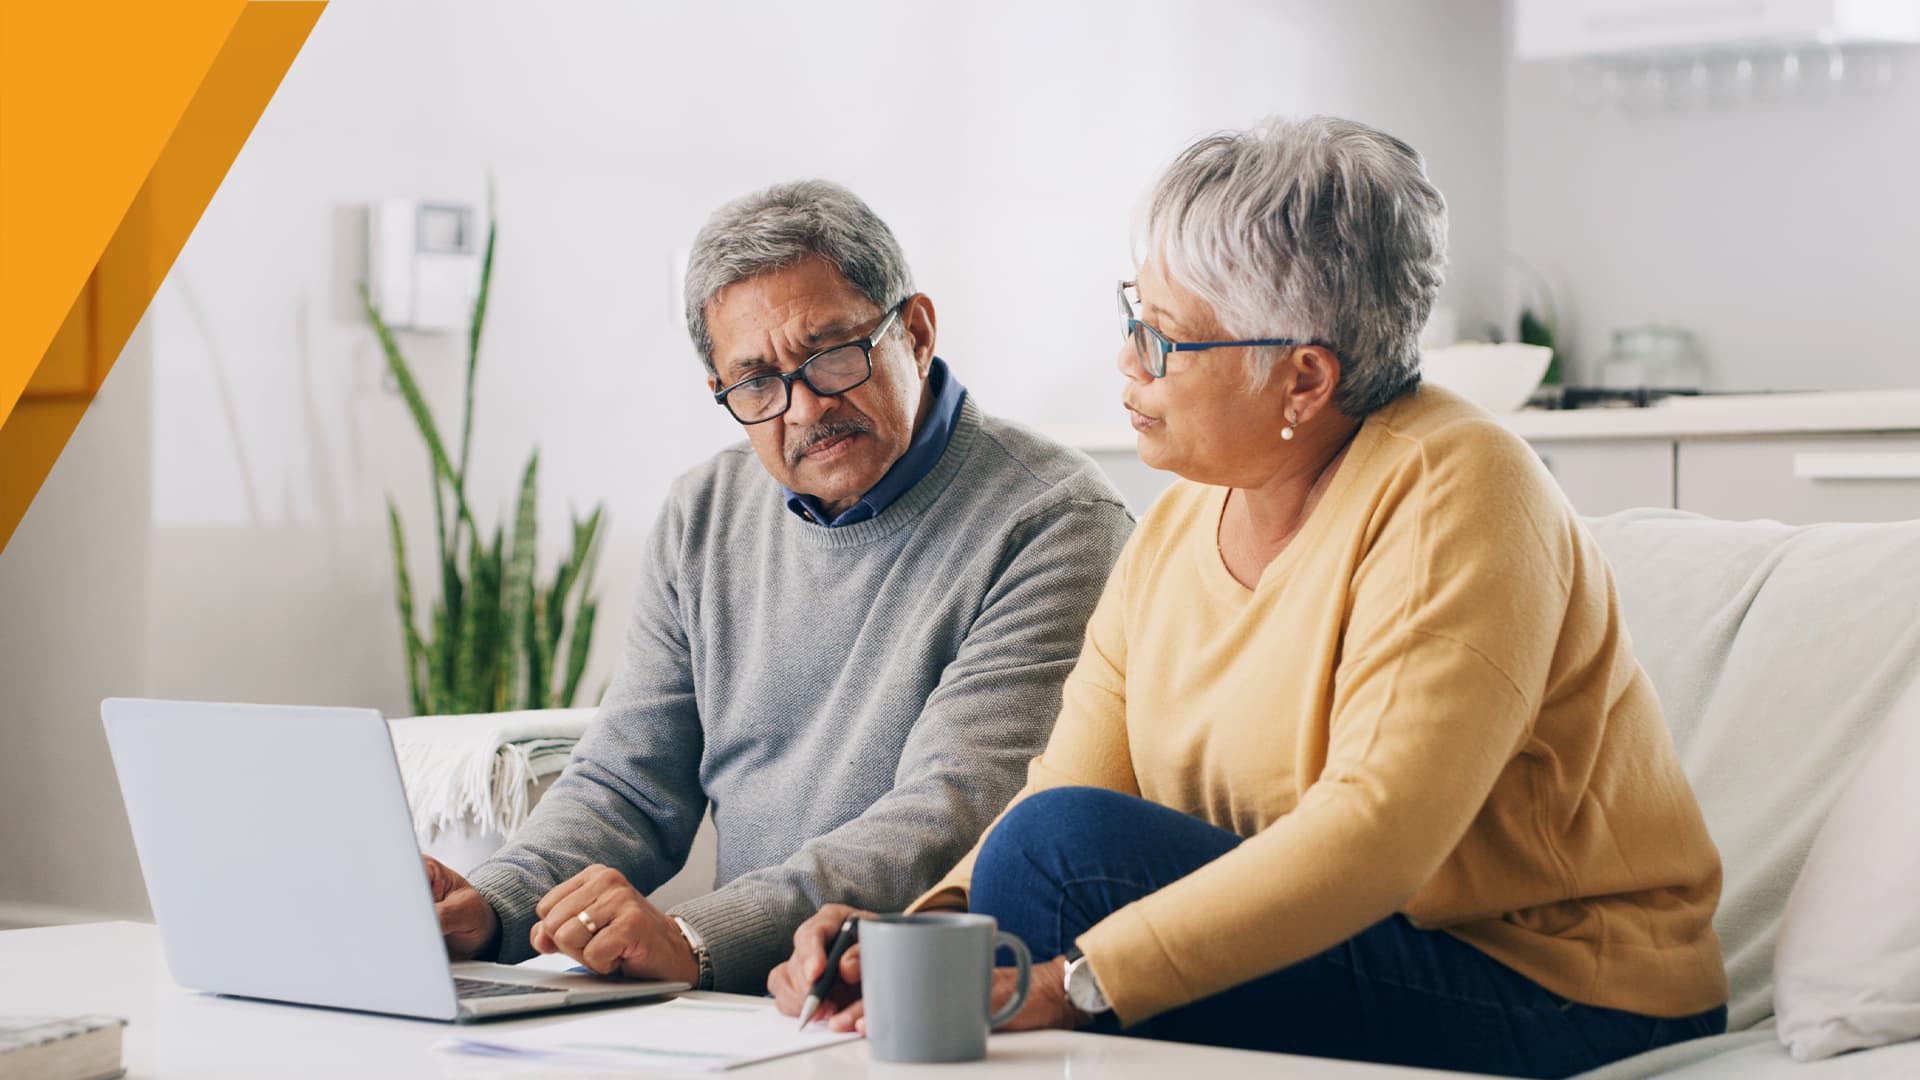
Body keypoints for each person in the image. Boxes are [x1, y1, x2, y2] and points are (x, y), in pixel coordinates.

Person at [772, 117, 1728, 1079]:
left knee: (1060, 856)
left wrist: (1077, 982)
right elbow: (1067, 788)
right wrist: (915, 942)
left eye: (1166, 338)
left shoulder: (1463, 486)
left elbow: (1374, 837)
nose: (1129, 363)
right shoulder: (1183, 523)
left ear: (1304, 377)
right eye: (1130, 316)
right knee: (1049, 835)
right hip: (1358, 948)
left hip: (1564, 993)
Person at [423, 180, 1133, 995]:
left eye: (830, 354)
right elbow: (629, 781)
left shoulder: (1056, 520)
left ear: (918, 330)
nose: (803, 408)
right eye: (756, 382)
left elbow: (953, 813)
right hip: (740, 1007)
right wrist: (494, 905)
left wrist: (697, 937)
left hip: (927, 1006)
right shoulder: (706, 512)